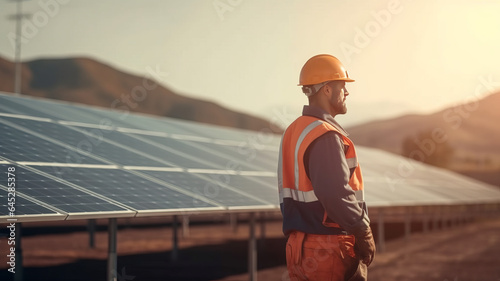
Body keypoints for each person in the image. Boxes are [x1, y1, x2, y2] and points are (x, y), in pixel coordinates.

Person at [278, 54, 375, 281]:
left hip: (299, 247)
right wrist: (363, 231)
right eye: (343, 86)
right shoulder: (324, 134)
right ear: (327, 90)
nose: (347, 92)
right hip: (326, 248)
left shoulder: (294, 131)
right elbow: (334, 193)